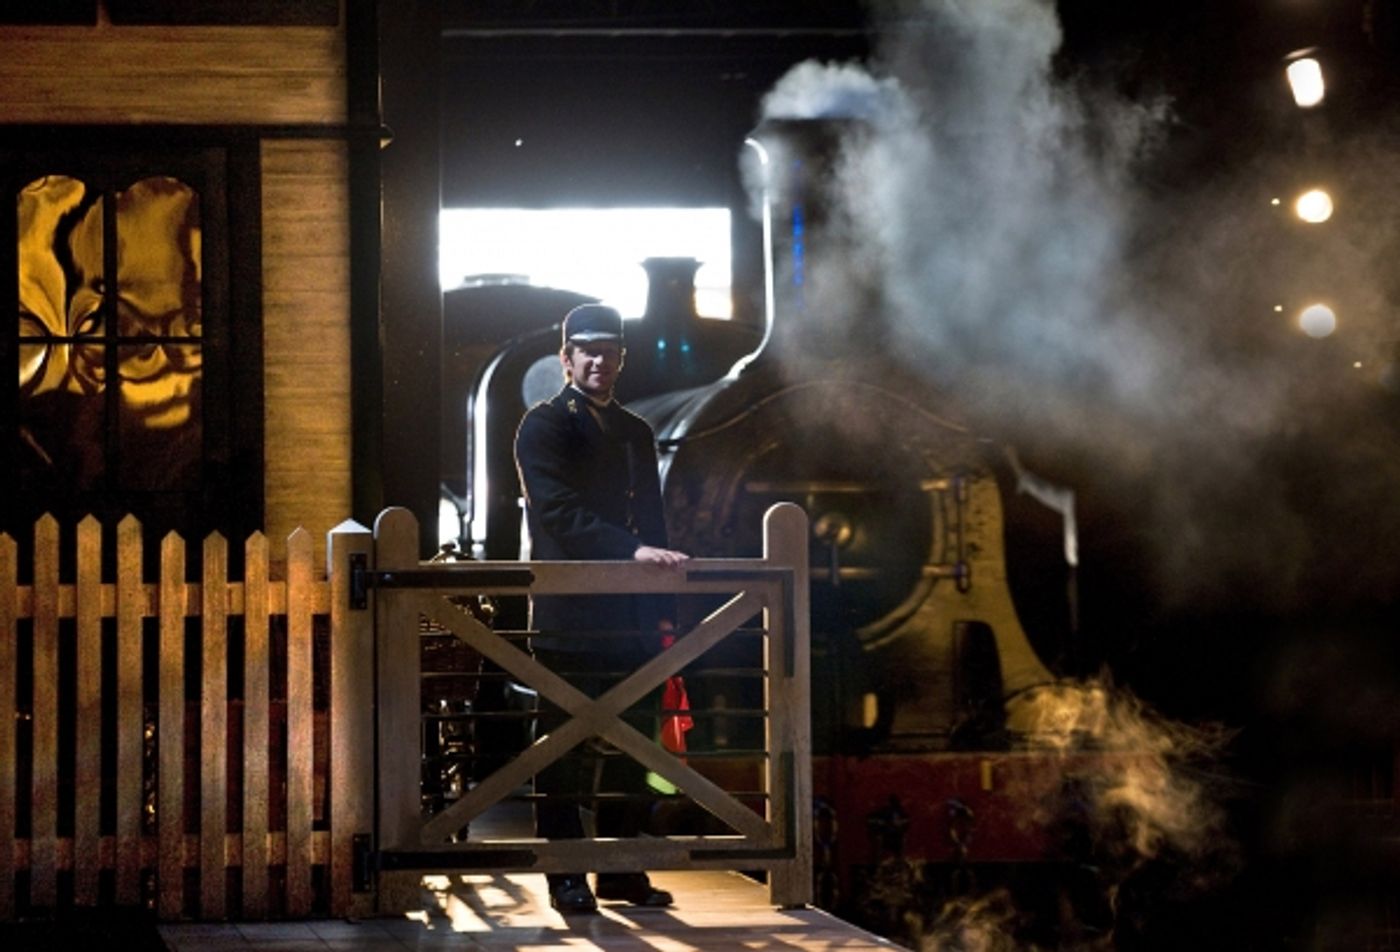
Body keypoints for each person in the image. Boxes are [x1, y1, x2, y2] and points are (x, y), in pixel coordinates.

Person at [513, 303, 690, 914]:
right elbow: (557, 513)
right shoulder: (543, 426)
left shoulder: (637, 431)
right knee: (560, 748)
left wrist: (664, 600)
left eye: (608, 350)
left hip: (632, 616)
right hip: (570, 614)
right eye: (586, 350)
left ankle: (619, 869)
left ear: (621, 358)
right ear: (566, 359)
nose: (597, 360)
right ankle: (565, 873)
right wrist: (634, 550)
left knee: (636, 747)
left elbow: (658, 522)